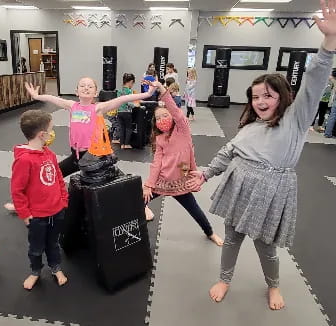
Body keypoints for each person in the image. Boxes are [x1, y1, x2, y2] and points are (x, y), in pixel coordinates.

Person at [188, 1, 336, 310]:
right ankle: (225, 278)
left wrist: (328, 44)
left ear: (283, 97)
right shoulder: (250, 125)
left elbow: (313, 82)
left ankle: (273, 285)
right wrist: (205, 173)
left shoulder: (296, 121)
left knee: (266, 247)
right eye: (255, 97)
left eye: (267, 95)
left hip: (271, 192)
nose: (260, 101)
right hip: (239, 187)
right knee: (231, 238)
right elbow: (229, 151)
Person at [4, 77, 157, 211]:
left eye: (90, 86)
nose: (86, 88)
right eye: (82, 85)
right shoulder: (72, 105)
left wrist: (147, 94)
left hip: (94, 158)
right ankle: (23, 205)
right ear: (76, 91)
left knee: (119, 181)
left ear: (95, 93)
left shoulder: (97, 108)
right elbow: (53, 99)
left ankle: (141, 206)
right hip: (76, 156)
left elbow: (122, 99)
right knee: (49, 177)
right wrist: (37, 96)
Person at [142, 83, 223, 245]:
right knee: (138, 199)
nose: (161, 120)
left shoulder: (182, 130)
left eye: (165, 116)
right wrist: (149, 185)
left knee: (195, 211)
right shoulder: (159, 138)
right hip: (162, 180)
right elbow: (157, 162)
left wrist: (161, 89)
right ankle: (141, 211)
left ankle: (210, 233)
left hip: (180, 181)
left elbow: (176, 112)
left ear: (172, 117)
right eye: (158, 118)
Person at [11, 110, 69, 290]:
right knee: (36, 247)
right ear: (42, 134)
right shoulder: (24, 160)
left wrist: (63, 200)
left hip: (57, 211)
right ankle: (35, 271)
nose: (53, 133)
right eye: (51, 130)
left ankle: (55, 267)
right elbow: (17, 189)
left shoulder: (48, 153)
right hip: (37, 216)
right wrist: (24, 213)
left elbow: (59, 177)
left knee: (53, 243)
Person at [117, 73, 138, 149]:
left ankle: (122, 144)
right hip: (127, 112)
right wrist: (135, 105)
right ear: (131, 81)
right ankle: (127, 144)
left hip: (119, 112)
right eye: (133, 83)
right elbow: (128, 102)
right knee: (128, 128)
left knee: (121, 128)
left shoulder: (119, 91)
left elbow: (118, 101)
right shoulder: (129, 91)